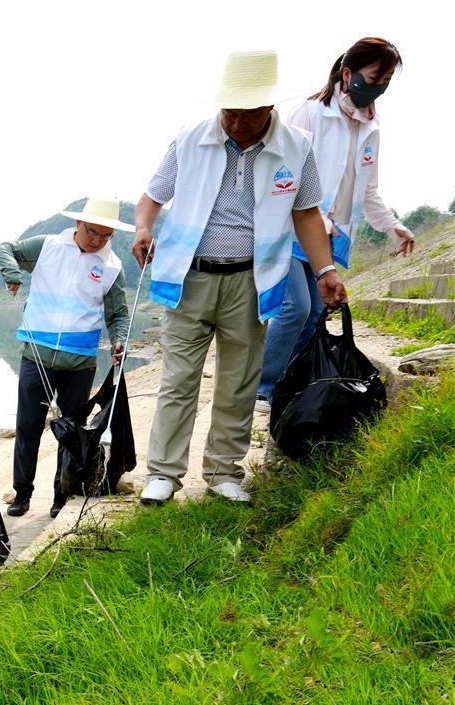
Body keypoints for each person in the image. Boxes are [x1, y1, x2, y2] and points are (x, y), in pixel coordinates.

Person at [133, 50, 347, 506]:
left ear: (268, 107)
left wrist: (325, 269)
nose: (236, 123)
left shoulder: (297, 145)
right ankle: (164, 473)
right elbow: (151, 196)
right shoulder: (191, 138)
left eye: (247, 114)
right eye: (229, 112)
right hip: (190, 278)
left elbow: (306, 213)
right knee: (178, 380)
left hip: (251, 281)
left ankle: (223, 472)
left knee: (239, 380)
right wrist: (143, 228)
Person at [257, 37, 410, 408]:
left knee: (313, 315)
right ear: (348, 73)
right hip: (290, 226)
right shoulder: (310, 114)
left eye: (388, 78)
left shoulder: (371, 128)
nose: (380, 85)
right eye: (376, 75)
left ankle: (285, 386)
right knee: (296, 308)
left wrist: (393, 226)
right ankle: (260, 388)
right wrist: (313, 216)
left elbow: (368, 191)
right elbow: (280, 171)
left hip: (330, 236)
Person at [0, 196, 133, 519]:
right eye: (92, 232)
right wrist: (12, 272)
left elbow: (119, 314)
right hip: (36, 357)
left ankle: (61, 495)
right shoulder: (47, 247)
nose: (97, 240)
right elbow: (4, 249)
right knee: (27, 427)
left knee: (71, 432)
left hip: (80, 363)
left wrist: (120, 340)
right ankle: (22, 494)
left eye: (105, 236)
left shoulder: (111, 267)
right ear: (77, 224)